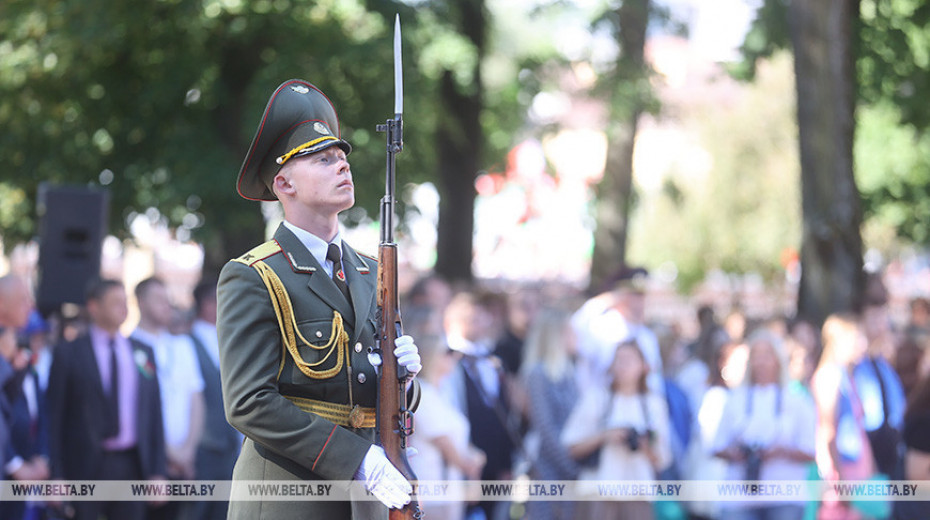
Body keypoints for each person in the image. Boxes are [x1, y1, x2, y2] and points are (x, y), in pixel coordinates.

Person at [216, 78, 423, 519]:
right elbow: (248, 402)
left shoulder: (371, 273)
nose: (343, 166)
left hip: (365, 498)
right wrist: (355, 459)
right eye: (323, 159)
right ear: (284, 183)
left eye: (343, 158)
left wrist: (403, 378)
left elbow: (372, 396)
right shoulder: (255, 275)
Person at [46, 278, 166, 520]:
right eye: (115, 303)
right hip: (83, 465)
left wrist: (157, 471)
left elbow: (153, 413)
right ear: (94, 306)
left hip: (132, 463)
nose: (123, 308)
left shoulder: (142, 351)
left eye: (125, 302)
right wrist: (56, 474)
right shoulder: (69, 352)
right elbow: (54, 416)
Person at [562, 339, 672, 520]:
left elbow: (662, 458)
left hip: (638, 494)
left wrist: (644, 444)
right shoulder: (597, 398)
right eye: (619, 360)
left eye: (629, 360)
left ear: (643, 366)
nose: (623, 366)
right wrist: (605, 436)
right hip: (598, 493)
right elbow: (571, 447)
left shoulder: (654, 404)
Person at [712, 329, 816, 520]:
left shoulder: (797, 401)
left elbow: (810, 450)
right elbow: (716, 445)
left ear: (778, 360)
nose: (761, 362)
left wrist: (780, 451)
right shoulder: (735, 399)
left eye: (767, 355)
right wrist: (739, 454)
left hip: (784, 496)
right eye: (756, 356)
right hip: (740, 498)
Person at [131, 277, 205, 520]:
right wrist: (170, 452)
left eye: (168, 300)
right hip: (148, 463)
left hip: (184, 463)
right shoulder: (129, 347)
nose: (167, 305)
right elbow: (136, 411)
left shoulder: (183, 345)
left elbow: (196, 400)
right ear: (141, 303)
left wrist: (188, 452)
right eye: (159, 300)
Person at [441, 290, 516, 520]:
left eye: (482, 318)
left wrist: (505, 463)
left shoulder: (489, 358)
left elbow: (502, 411)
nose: (481, 324)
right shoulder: (446, 359)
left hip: (493, 462)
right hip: (461, 461)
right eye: (472, 318)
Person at [409, 334, 485, 520]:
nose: (454, 357)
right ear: (432, 356)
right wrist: (472, 468)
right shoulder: (423, 393)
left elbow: (459, 440)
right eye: (448, 352)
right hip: (432, 494)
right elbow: (445, 444)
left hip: (450, 493)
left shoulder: (443, 393)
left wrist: (476, 457)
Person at [812, 313, 878, 520]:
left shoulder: (849, 375)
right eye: (857, 338)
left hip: (856, 469)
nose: (863, 344)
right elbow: (827, 431)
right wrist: (839, 481)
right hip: (840, 471)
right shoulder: (830, 377)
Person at [519, 307, 580, 520]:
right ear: (558, 336)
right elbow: (544, 428)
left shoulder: (571, 373)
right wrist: (571, 467)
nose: (576, 336)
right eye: (571, 331)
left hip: (569, 469)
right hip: (549, 469)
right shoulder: (538, 373)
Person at [188, 277, 240, 520]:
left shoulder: (229, 339)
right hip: (200, 447)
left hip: (229, 445)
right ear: (207, 304)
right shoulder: (186, 341)